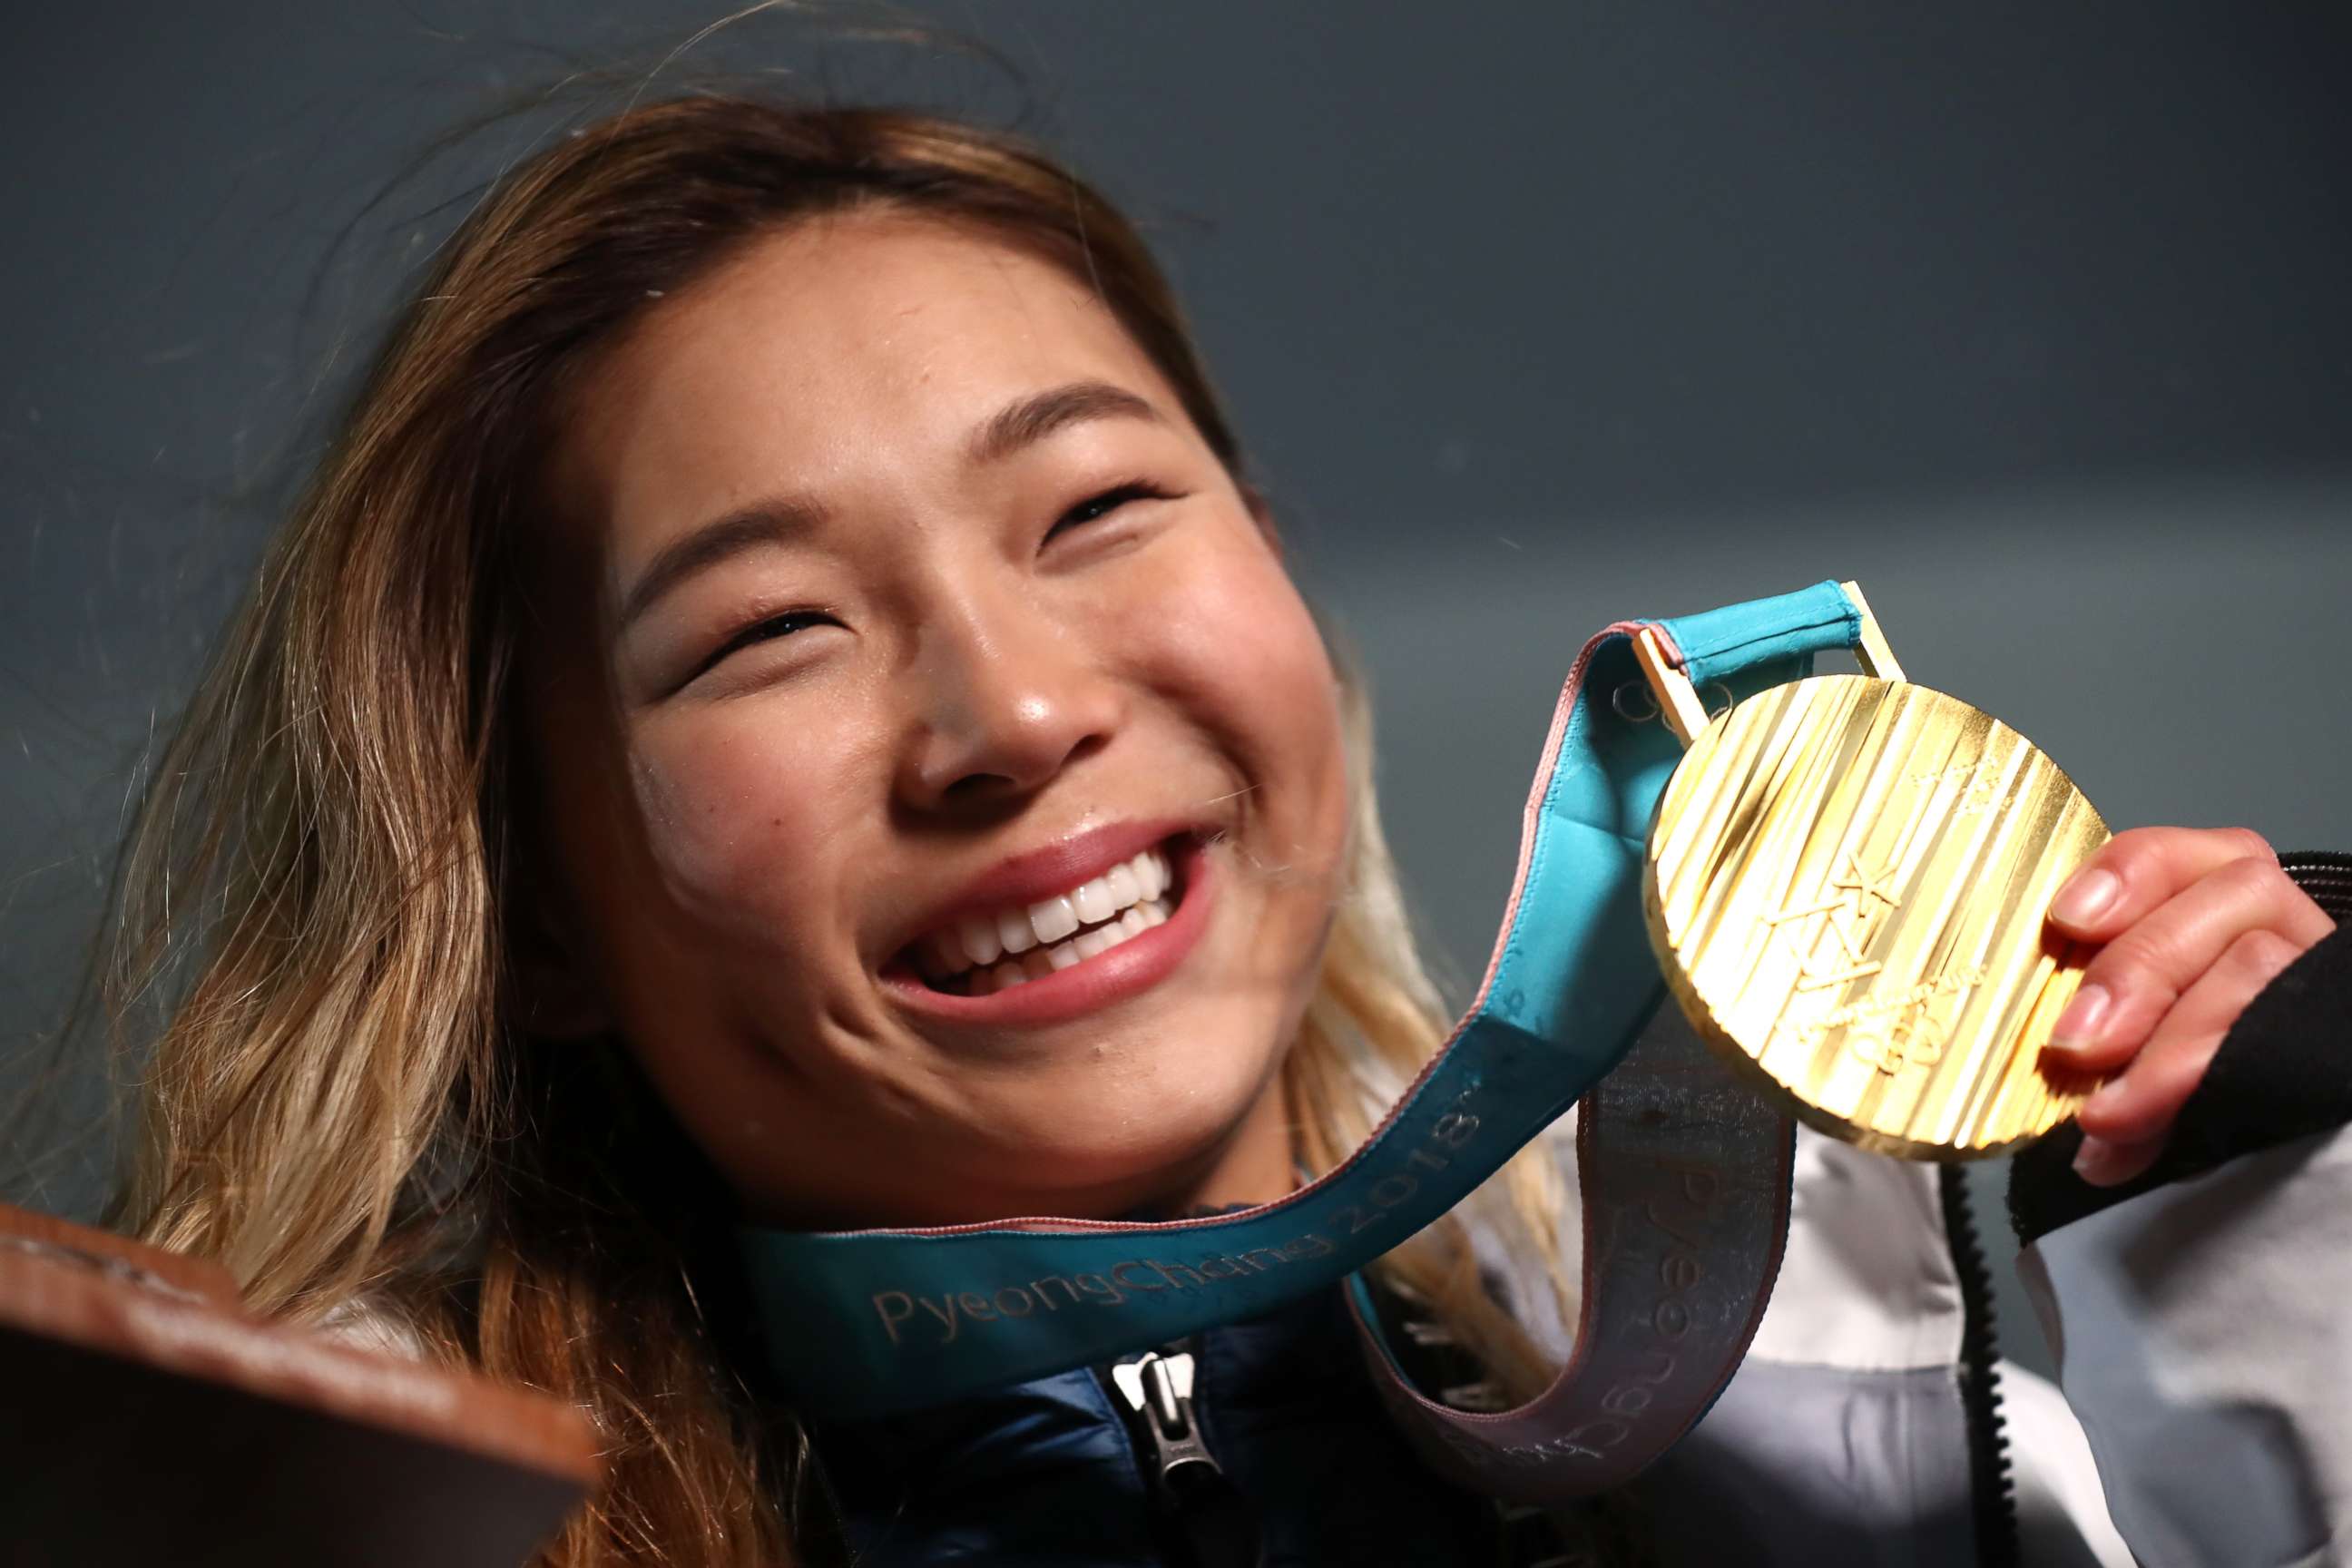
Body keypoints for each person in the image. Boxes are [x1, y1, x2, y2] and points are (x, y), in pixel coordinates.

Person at [91, 92, 2352, 1567]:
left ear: (1279, 583)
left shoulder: (1941, 1354)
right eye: (767, 632)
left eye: (1098, 509)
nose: (1018, 711)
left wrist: (2301, 1164)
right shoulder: (304, 1520)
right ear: (539, 895)